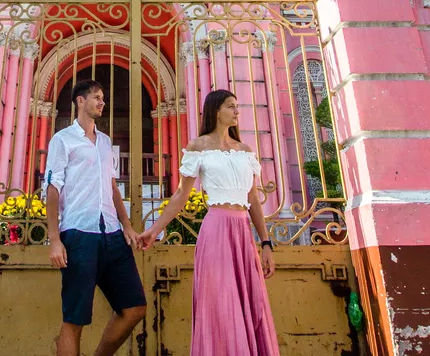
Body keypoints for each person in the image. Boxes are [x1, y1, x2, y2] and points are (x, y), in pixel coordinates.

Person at [139, 89, 279, 356]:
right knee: (220, 303)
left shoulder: (244, 150)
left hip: (242, 234)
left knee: (249, 302)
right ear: (216, 111)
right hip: (215, 231)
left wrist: (266, 242)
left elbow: (253, 200)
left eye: (237, 106)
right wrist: (155, 230)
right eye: (231, 106)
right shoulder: (198, 147)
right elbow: (181, 194)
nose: (237, 111)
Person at [45, 78, 147, 356]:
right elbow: (53, 189)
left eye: (103, 98)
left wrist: (126, 226)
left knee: (134, 308)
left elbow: (112, 187)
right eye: (97, 98)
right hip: (79, 235)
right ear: (80, 101)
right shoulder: (62, 140)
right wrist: (55, 240)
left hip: (112, 235)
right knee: (74, 319)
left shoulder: (104, 142)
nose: (102, 102)